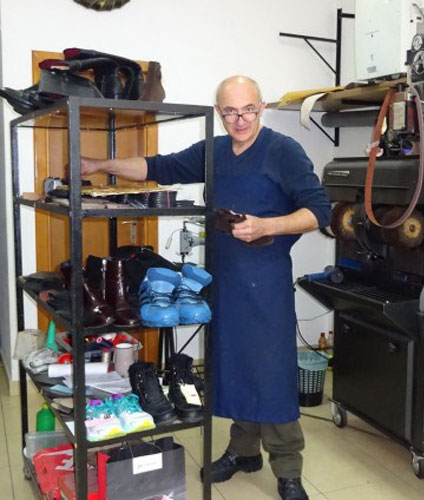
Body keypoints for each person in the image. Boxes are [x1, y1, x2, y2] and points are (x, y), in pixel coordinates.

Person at [81, 75, 332, 500]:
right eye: (230, 112)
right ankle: (243, 451)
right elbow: (157, 167)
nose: (240, 120)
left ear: (261, 107)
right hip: (223, 280)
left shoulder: (282, 150)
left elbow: (319, 211)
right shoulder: (213, 152)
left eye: (248, 110)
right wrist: (99, 165)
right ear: (218, 112)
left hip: (266, 282)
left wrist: (267, 226)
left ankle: (288, 468)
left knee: (270, 372)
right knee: (233, 367)